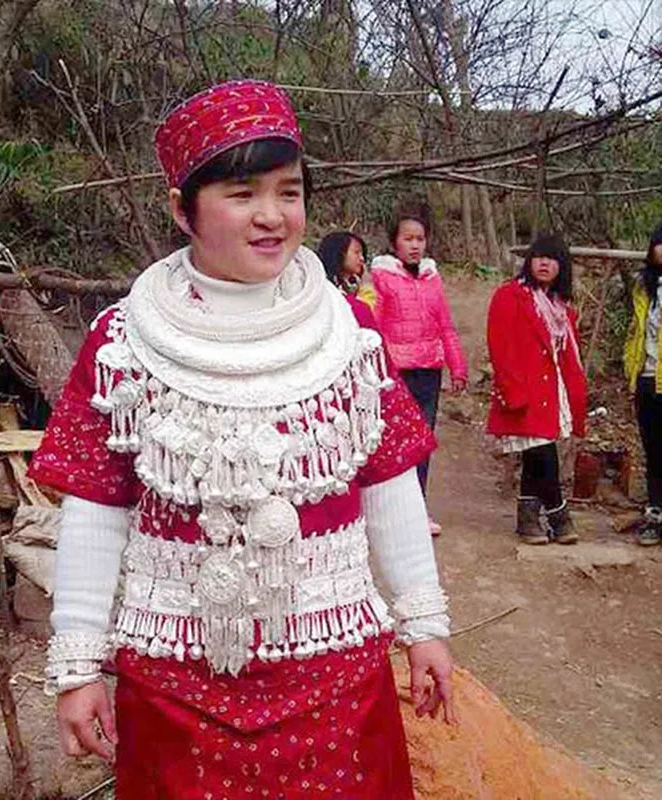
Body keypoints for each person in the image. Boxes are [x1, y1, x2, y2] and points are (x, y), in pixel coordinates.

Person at [28, 80, 454, 799]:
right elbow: (96, 511)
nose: (272, 216)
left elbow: (388, 486)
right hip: (175, 689)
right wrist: (77, 665)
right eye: (241, 193)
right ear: (182, 209)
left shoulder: (351, 334)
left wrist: (424, 622)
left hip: (336, 680)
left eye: (289, 192)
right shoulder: (122, 345)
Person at [370, 205, 468, 535]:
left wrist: (457, 366)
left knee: (422, 441)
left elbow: (446, 326)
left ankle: (417, 510)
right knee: (394, 442)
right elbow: (374, 326)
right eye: (408, 238)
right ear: (394, 242)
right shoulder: (381, 278)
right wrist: (377, 370)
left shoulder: (432, 278)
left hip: (429, 370)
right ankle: (389, 512)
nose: (415, 245)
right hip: (396, 372)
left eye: (420, 239)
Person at [486, 232, 587, 545]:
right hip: (524, 388)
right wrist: (510, 388)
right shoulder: (510, 295)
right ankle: (558, 513)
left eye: (553, 259)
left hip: (553, 390)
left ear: (562, 267)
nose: (545, 263)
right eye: (540, 257)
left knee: (536, 453)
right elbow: (499, 345)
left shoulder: (561, 307)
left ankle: (528, 520)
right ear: (529, 261)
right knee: (543, 452)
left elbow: (567, 355)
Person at [623, 224, 662, 546]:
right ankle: (655, 515)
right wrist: (630, 369)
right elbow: (636, 332)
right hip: (647, 378)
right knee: (654, 451)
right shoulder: (643, 287)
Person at [317, 230, 376, 319]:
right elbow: (360, 316)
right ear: (339, 252)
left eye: (362, 254)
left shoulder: (347, 287)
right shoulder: (326, 288)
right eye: (356, 252)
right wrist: (367, 290)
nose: (362, 258)